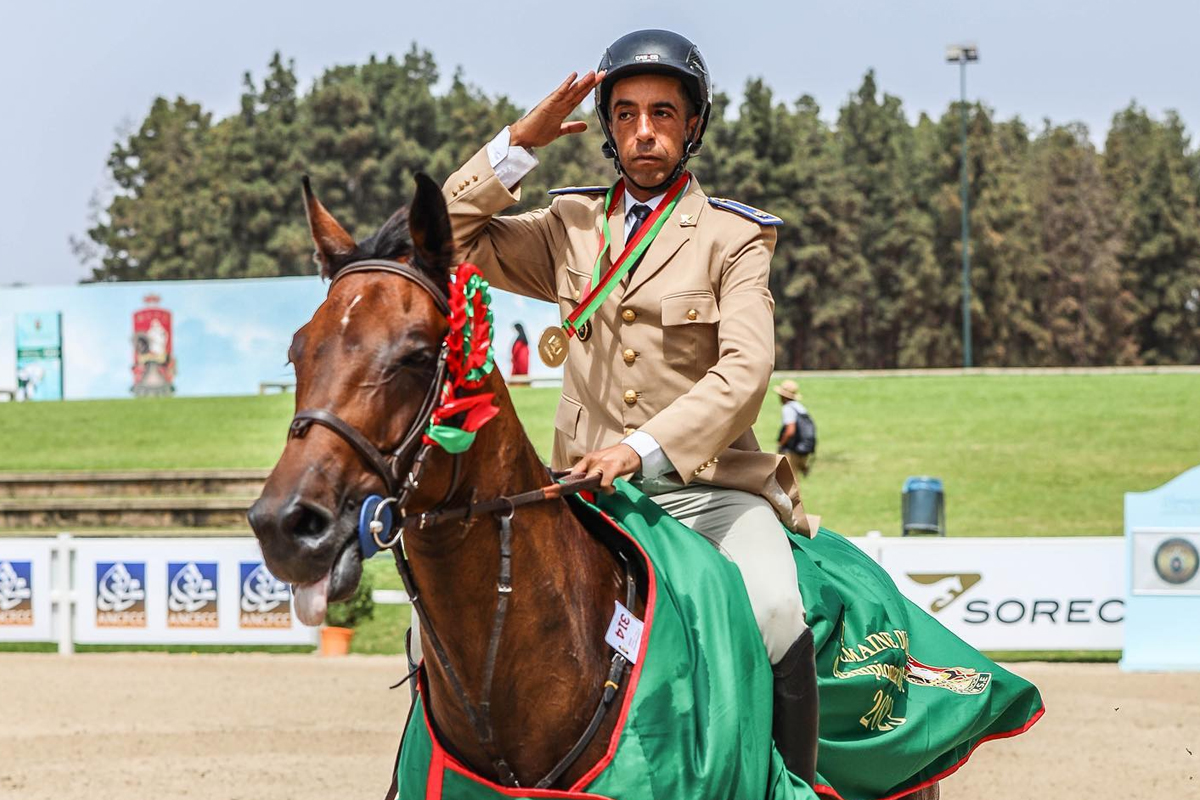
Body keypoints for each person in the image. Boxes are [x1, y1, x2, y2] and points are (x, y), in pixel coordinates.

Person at [441, 29, 817, 783]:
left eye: (664, 113)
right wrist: (518, 144)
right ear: (609, 128)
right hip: (580, 495)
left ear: (693, 125)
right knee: (448, 634)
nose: (644, 129)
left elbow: (748, 370)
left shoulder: (734, 237)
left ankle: (790, 787)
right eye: (626, 113)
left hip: (707, 494)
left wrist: (641, 449)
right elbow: (444, 237)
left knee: (778, 612)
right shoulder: (568, 226)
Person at [776, 379, 816, 477]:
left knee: (790, 482)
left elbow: (790, 431)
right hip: (803, 449)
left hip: (792, 450)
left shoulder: (788, 408)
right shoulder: (799, 408)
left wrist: (781, 443)